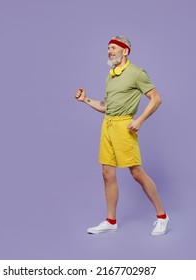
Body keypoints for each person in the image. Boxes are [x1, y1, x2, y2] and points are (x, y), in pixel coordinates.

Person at [75, 36, 169, 236]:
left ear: (125, 51)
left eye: (113, 48)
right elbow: (107, 107)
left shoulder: (137, 73)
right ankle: (111, 220)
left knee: (136, 172)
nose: (109, 51)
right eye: (108, 48)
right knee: (107, 174)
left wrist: (140, 120)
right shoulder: (110, 76)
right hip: (107, 126)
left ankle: (162, 216)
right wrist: (86, 100)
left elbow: (156, 98)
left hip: (124, 126)